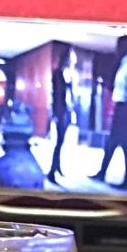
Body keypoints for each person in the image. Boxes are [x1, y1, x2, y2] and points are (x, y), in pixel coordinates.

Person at [91, 35, 127, 190]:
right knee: (111, 143)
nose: (116, 49)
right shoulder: (125, 64)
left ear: (126, 46)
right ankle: (102, 173)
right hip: (121, 107)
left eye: (119, 46)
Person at [47, 47, 74, 184]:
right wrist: (56, 114)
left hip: (65, 111)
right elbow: (56, 95)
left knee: (61, 142)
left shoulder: (65, 74)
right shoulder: (57, 74)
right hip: (61, 111)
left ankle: (57, 167)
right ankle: (52, 171)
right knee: (59, 142)